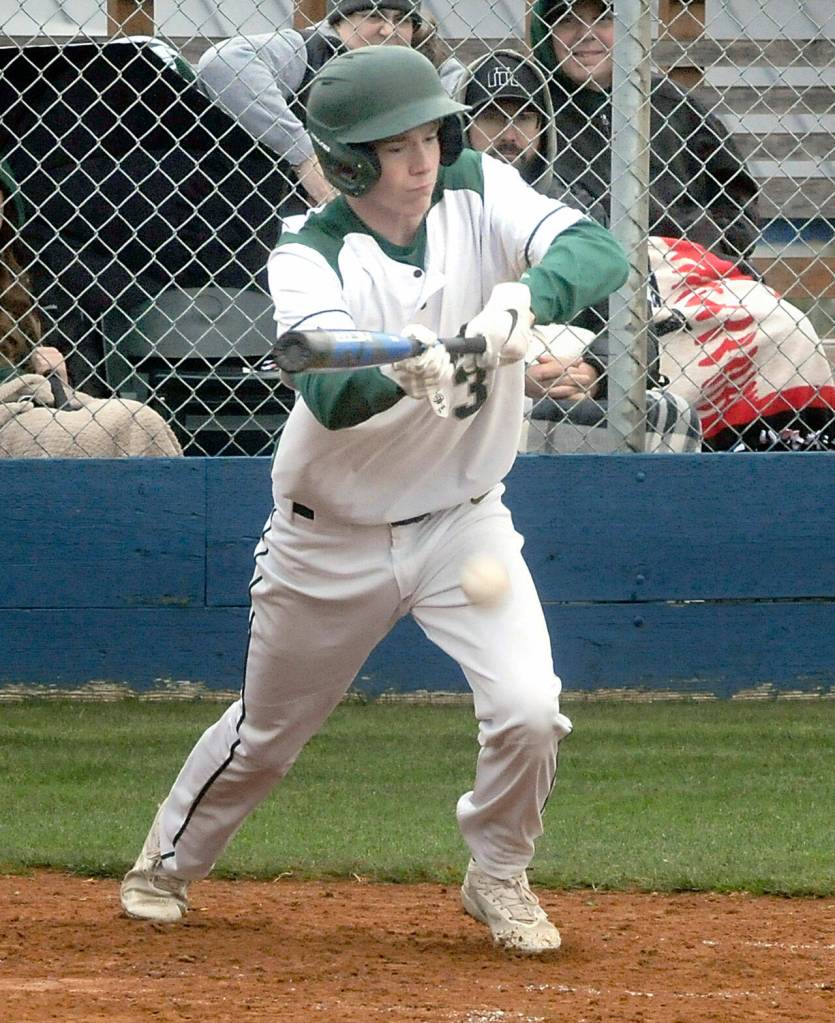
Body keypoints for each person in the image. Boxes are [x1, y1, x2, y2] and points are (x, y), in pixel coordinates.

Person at [119, 45, 628, 953]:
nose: (423, 160)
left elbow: (599, 251)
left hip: (462, 521)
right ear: (350, 162)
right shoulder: (308, 251)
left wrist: (524, 297)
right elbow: (325, 387)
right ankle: (166, 861)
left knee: (528, 708)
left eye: (429, 136)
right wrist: (400, 367)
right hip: (329, 538)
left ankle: (497, 872)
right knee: (269, 733)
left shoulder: (480, 184)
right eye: (396, 147)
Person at [458, 51, 701, 453]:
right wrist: (510, 375)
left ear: (543, 128)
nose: (509, 134)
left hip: (567, 390)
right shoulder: (439, 209)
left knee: (670, 413)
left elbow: (639, 328)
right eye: (492, 117)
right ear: (464, 126)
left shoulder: (580, 211)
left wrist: (594, 370)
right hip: (470, 382)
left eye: (524, 118)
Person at [531, 0, 761, 267]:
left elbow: (735, 192)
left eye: (603, 19)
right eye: (568, 20)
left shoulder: (670, 103)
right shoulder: (533, 111)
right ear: (546, 32)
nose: (586, 34)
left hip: (686, 267)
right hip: (587, 269)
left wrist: (712, 247)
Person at [196, 1, 466, 210]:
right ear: (340, 20)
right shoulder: (310, 49)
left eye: (402, 20)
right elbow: (223, 63)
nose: (389, 30)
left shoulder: (418, 68)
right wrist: (304, 156)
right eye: (374, 16)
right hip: (278, 217)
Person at [0, 161, 182, 457]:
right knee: (125, 425)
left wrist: (49, 373)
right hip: (16, 418)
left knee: (136, 420)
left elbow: (67, 387)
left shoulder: (24, 286)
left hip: (29, 410)